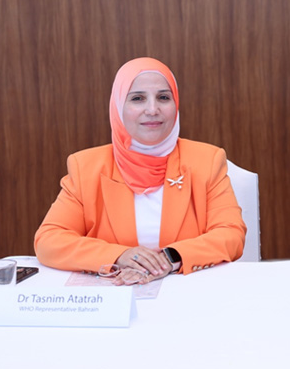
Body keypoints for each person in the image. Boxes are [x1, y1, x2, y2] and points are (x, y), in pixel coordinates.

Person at [35, 57, 246, 285]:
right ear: (118, 106)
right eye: (138, 99)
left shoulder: (207, 161)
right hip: (115, 295)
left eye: (163, 97)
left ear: (176, 105)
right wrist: (118, 256)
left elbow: (231, 234)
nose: (152, 109)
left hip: (187, 294)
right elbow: (49, 240)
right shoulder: (86, 167)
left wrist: (169, 258)